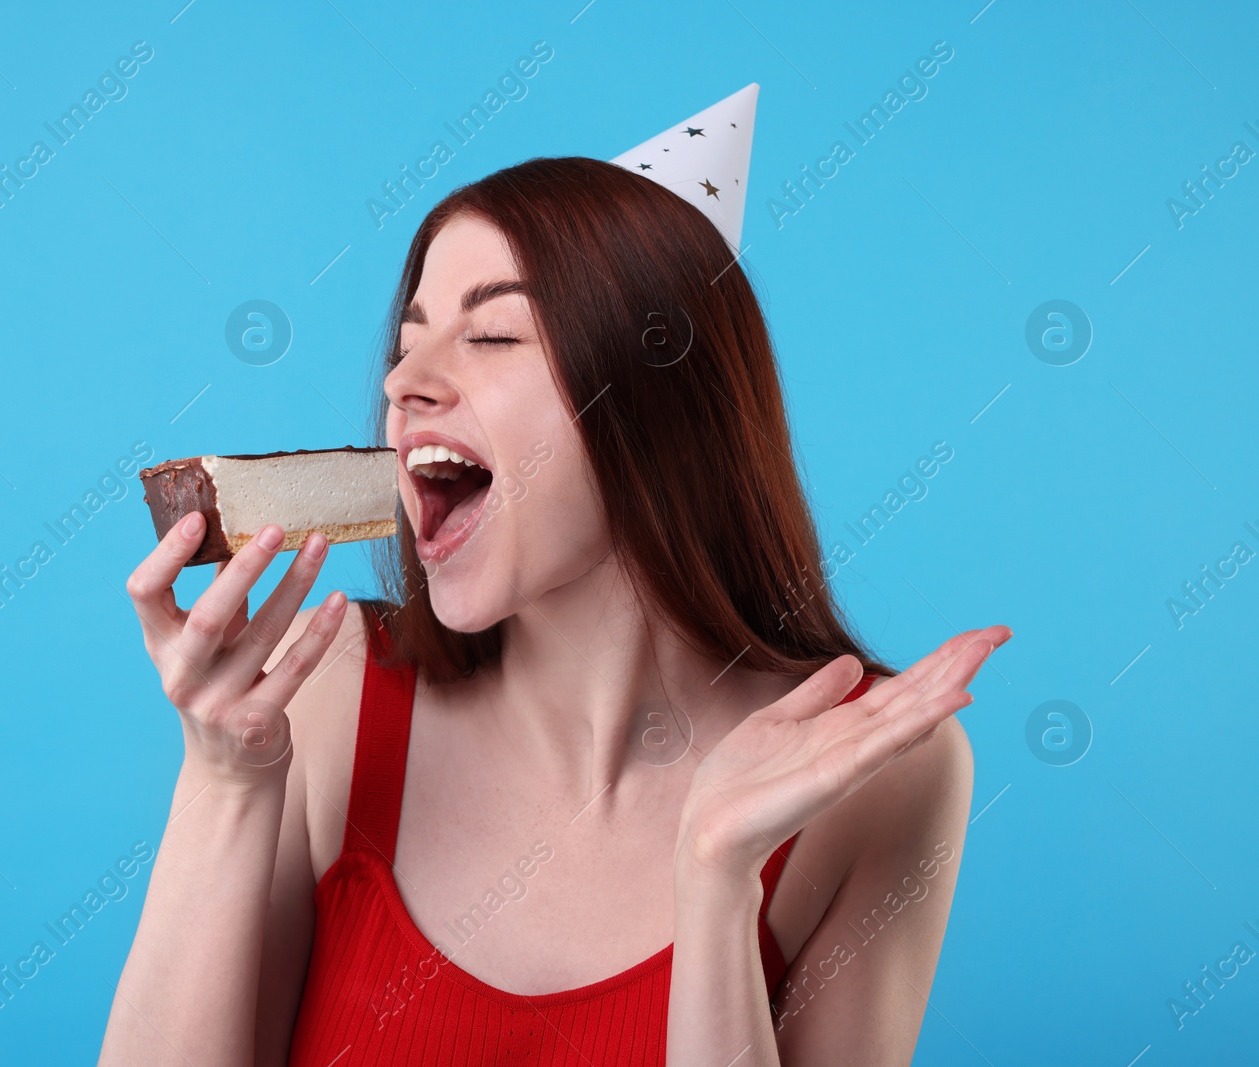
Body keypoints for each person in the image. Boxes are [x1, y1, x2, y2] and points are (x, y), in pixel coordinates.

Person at [99, 156, 1010, 1066]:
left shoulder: (878, 770)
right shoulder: (327, 684)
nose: (402, 383)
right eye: (407, 340)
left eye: (492, 336)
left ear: (660, 395)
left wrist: (720, 879)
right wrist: (223, 778)